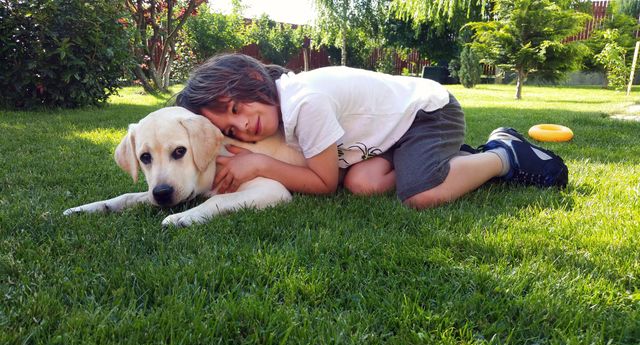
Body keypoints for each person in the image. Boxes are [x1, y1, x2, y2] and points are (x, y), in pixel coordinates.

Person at [175, 54, 568, 209]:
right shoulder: (287, 105)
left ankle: (503, 153)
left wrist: (259, 163)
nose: (243, 126)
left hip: (429, 112)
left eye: (236, 108)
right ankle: (450, 160)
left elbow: (323, 182)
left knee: (420, 195)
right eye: (230, 129)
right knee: (362, 183)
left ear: (250, 78)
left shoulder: (304, 102)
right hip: (391, 135)